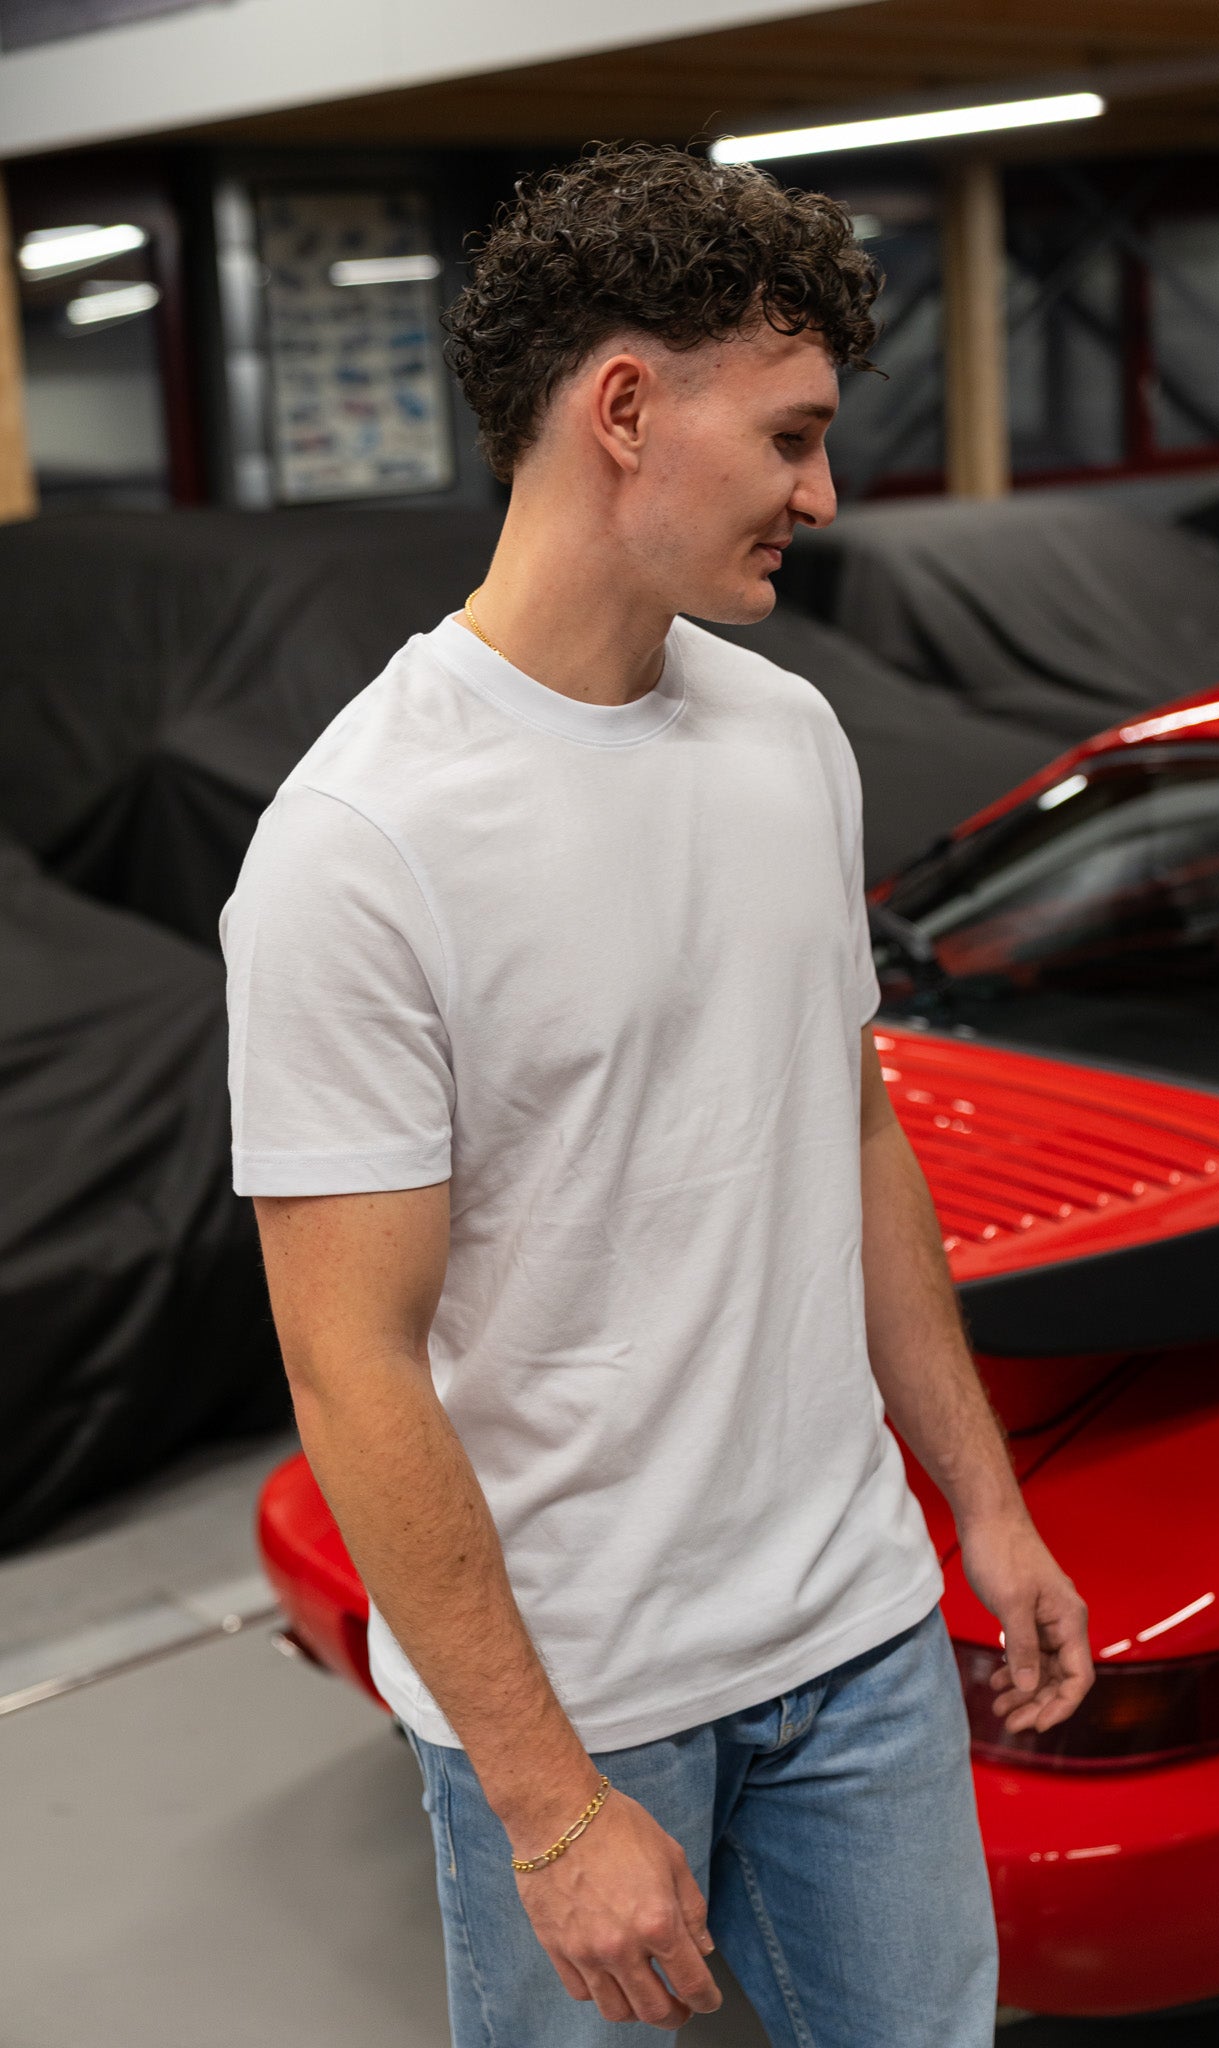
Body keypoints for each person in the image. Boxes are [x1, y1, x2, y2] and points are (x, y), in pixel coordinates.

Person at [222, 141, 1092, 2046]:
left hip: (856, 1634)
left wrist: (985, 1509)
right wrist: (546, 1808)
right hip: (578, 1699)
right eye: (788, 436)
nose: (821, 495)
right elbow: (349, 1365)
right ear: (623, 410)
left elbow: (847, 1132)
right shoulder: (360, 844)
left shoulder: (787, 735)